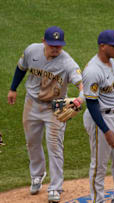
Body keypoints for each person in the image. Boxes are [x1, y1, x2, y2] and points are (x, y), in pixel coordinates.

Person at [7, 26, 84, 203]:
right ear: (43, 41)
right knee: (32, 142)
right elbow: (21, 68)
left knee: (55, 147)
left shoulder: (67, 63)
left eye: (59, 45)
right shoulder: (31, 51)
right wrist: (13, 89)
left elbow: (82, 85)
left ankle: (55, 187)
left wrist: (80, 99)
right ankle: (37, 175)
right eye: (52, 45)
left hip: (54, 109)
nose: (56, 48)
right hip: (31, 103)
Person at [82, 30, 114, 203]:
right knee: (99, 165)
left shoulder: (111, 62)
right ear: (102, 46)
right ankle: (98, 200)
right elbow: (91, 104)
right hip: (100, 119)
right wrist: (106, 131)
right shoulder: (92, 71)